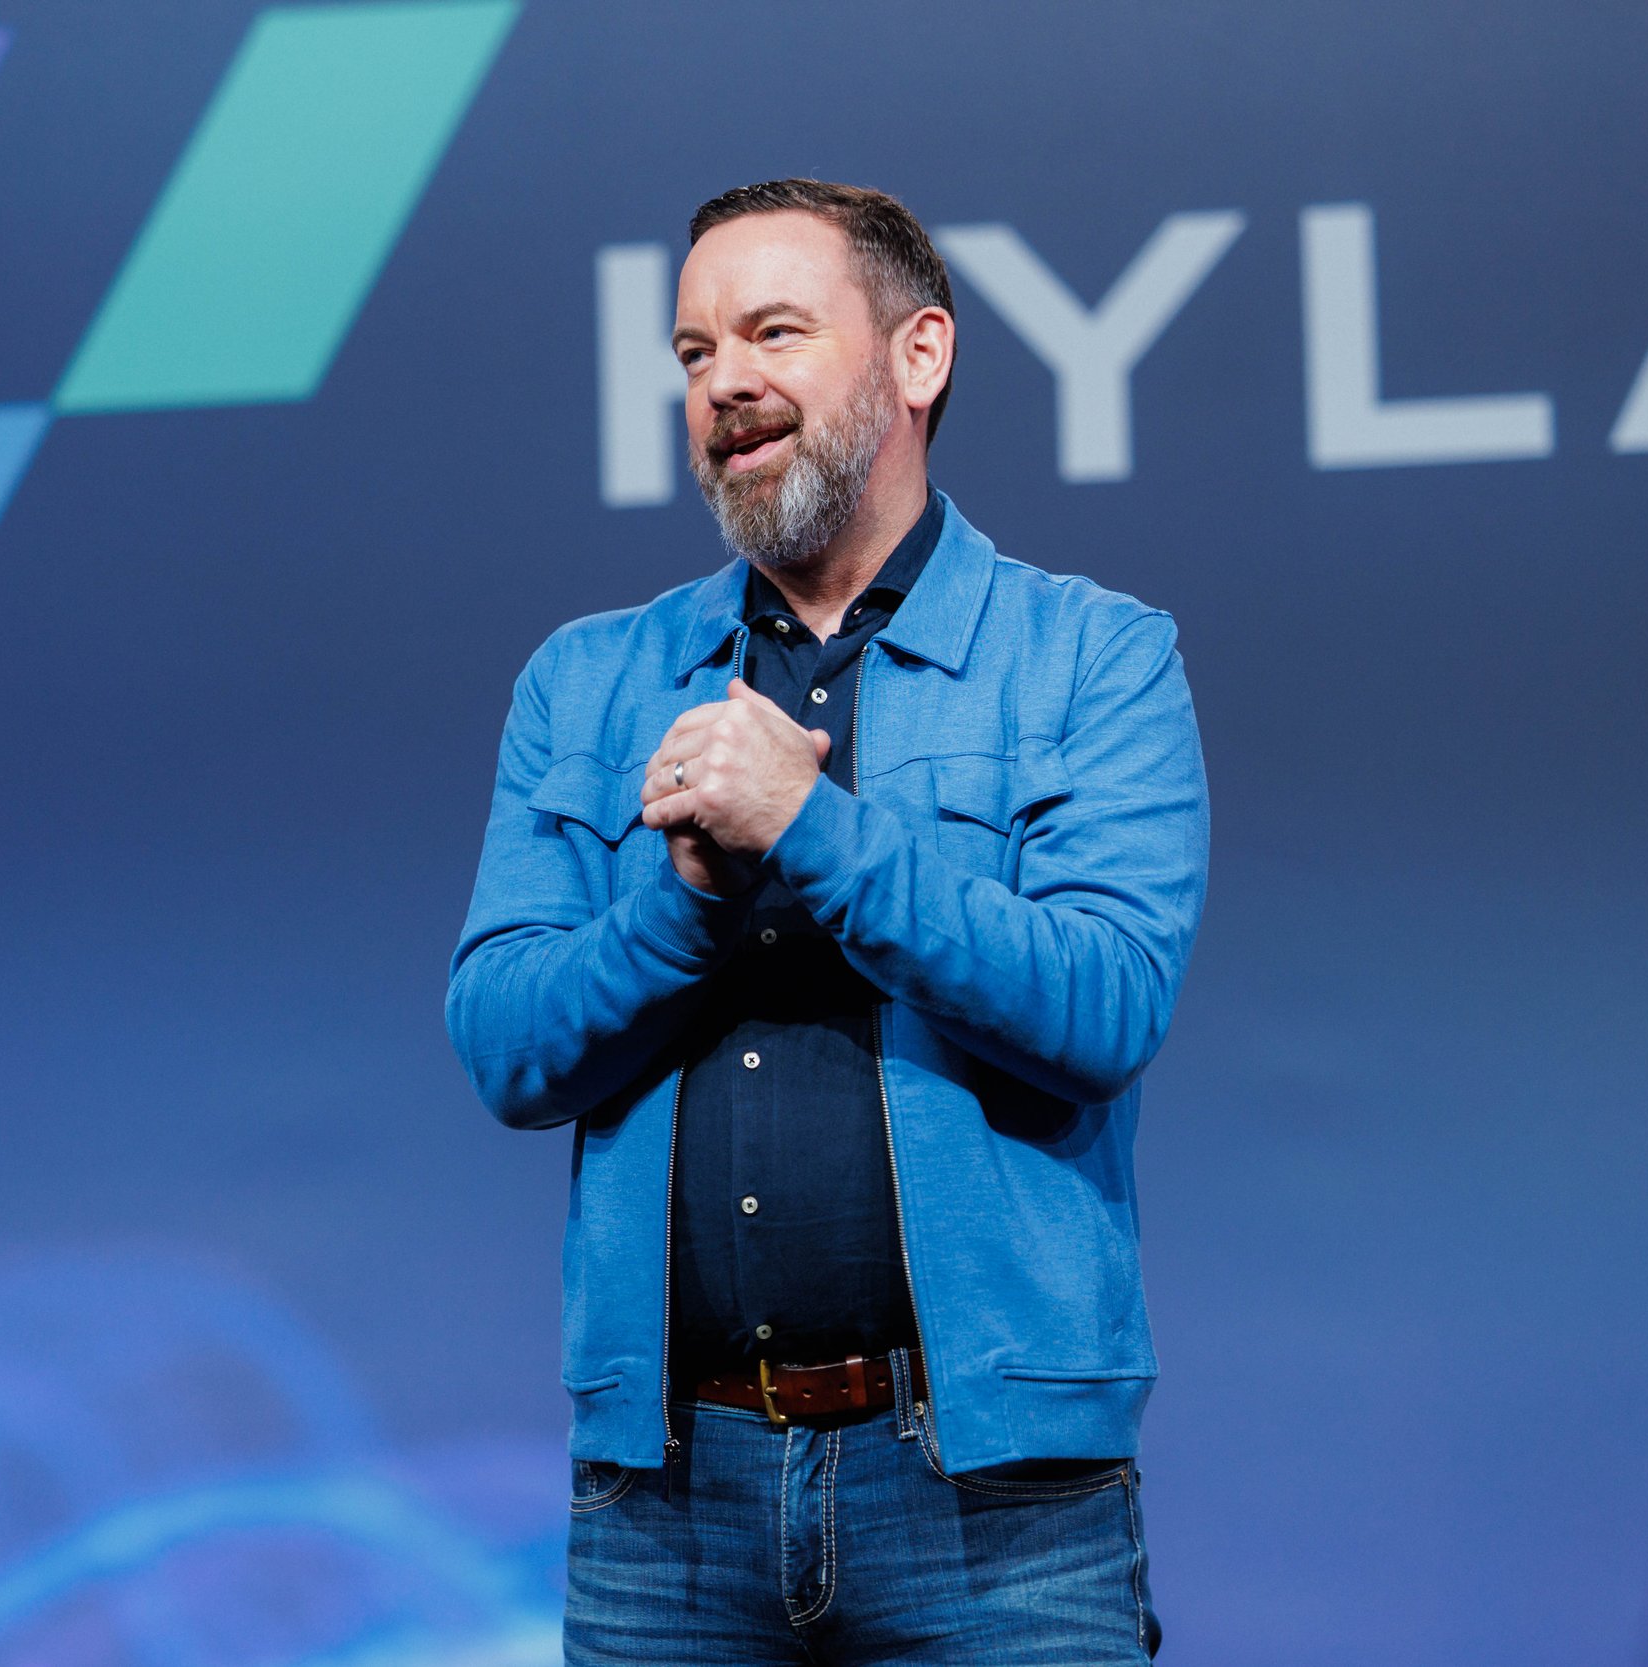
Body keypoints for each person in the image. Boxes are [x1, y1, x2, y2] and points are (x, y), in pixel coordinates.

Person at [446, 178, 1208, 1662]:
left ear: (918, 357)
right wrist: (684, 908)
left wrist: (813, 827)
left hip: (998, 1514)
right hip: (666, 1516)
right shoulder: (589, 681)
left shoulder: (1090, 656)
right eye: (693, 352)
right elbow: (504, 1047)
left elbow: (1105, 1007)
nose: (723, 382)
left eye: (774, 332)